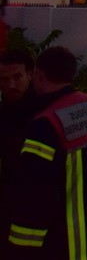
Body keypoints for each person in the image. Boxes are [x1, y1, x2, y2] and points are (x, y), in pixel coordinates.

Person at [6, 46, 87, 259]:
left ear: (37, 75)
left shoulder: (45, 124)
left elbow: (36, 196)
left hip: (66, 248)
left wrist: (19, 249)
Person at [0, 48, 37, 256]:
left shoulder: (43, 110)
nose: (10, 85)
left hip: (38, 205)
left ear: (30, 75)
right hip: (9, 203)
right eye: (4, 80)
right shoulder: (4, 113)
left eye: (17, 77)